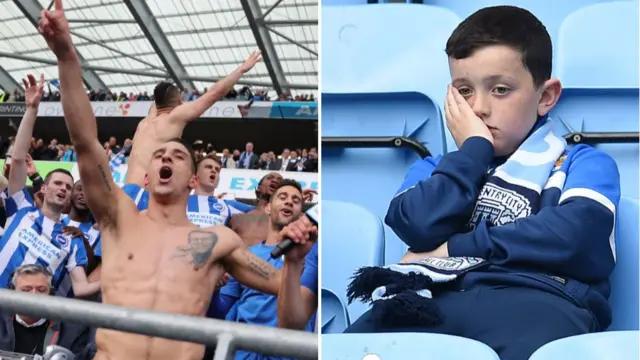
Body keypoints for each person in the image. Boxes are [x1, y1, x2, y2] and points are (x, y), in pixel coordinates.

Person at [39, 3, 315, 360]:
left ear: (192, 181)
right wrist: (65, 55)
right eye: (159, 156)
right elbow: (85, 142)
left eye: (178, 156)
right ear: (148, 175)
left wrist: (294, 265)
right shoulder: (119, 217)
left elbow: (290, 312)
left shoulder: (218, 241)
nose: (166, 157)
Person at [344, 6, 620, 360]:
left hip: (540, 302)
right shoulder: (436, 167)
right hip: (431, 301)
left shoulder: (582, 163)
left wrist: (453, 248)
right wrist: (474, 151)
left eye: (500, 90)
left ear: (546, 96)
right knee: (353, 347)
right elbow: (416, 224)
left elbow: (576, 235)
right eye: (464, 91)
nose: (479, 108)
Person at [119, 46, 261, 205]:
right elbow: (213, 94)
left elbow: (160, 99)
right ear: (179, 102)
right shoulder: (174, 118)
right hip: (143, 194)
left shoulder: (145, 122)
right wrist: (241, 69)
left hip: (125, 192)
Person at [0, 73, 99, 298]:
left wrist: (115, 278)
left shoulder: (72, 240)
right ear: (43, 188)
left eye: (67, 186)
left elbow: (81, 288)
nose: (63, 188)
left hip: (26, 322)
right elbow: (17, 159)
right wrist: (32, 109)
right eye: (57, 183)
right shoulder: (22, 207)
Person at [209, 180, 318, 360]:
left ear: (301, 213)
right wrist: (213, 290)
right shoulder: (244, 256)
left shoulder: (311, 254)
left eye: (296, 200)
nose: (289, 202)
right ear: (267, 208)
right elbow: (220, 311)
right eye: (282, 197)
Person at [0, 264, 91, 356]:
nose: (34, 295)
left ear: (50, 294)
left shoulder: (72, 330)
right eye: (26, 290)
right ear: (12, 293)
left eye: (41, 290)